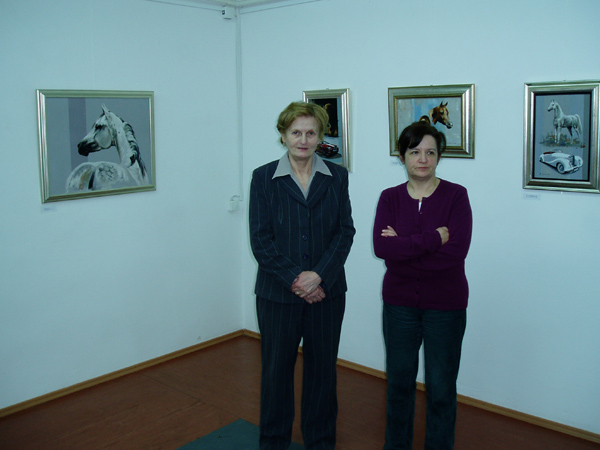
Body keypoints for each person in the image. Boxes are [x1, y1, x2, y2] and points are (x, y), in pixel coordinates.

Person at [249, 101, 355, 450]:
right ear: (283, 135)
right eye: (296, 132)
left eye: (311, 133)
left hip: (327, 294)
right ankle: (273, 443)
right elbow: (261, 240)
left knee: (322, 374)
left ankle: (320, 442)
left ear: (320, 136)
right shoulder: (263, 177)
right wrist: (298, 279)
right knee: (276, 374)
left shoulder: (337, 177)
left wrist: (318, 276)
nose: (303, 140)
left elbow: (344, 232)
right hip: (277, 296)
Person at [373, 121, 472, 450]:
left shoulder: (456, 196)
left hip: (446, 306)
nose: (423, 159)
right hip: (399, 306)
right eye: (415, 152)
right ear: (402, 156)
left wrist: (403, 247)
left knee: (441, 388)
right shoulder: (389, 198)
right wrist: (432, 239)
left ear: (439, 157)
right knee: (399, 385)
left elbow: (455, 253)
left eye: (430, 152)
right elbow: (382, 248)